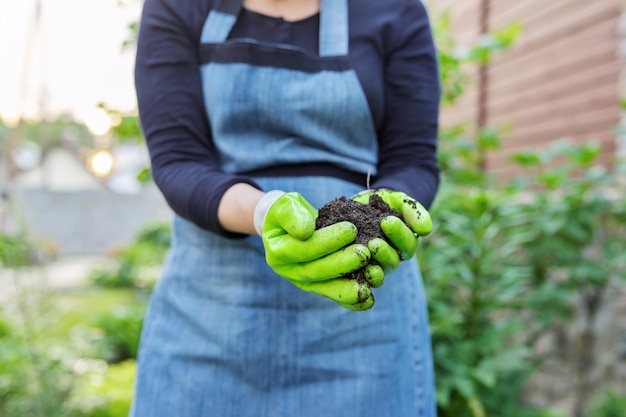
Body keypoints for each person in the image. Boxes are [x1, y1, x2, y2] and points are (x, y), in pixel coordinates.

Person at [130, 0, 441, 415]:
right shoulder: (179, 6)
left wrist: (384, 214)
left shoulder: (394, 10)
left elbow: (411, 159)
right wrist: (262, 211)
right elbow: (178, 159)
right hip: (211, 316)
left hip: (363, 316)